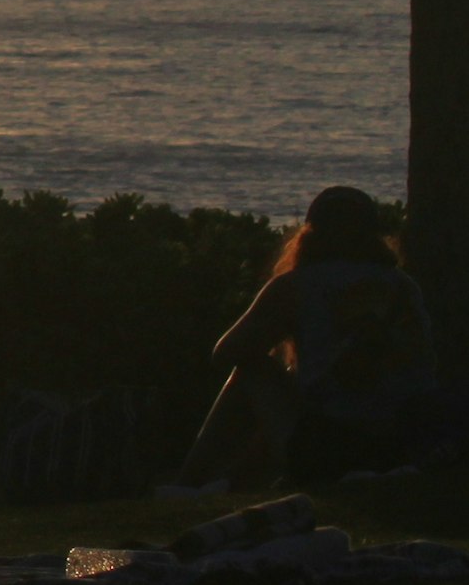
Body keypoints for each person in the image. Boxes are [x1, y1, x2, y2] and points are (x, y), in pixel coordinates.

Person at [165, 185, 437, 496]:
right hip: (409, 442)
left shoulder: (298, 286)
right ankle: (234, 483)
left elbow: (226, 352)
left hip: (332, 451)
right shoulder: (403, 286)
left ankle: (187, 483)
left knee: (252, 370)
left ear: (310, 234)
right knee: (301, 398)